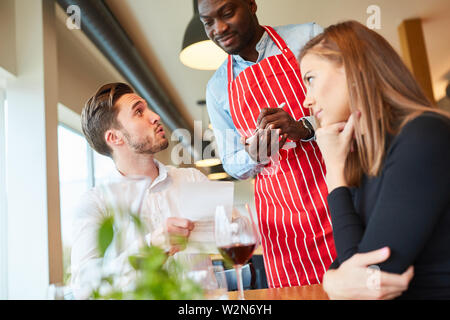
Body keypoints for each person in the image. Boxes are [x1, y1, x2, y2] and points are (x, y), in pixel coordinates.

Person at [299, 20, 450, 299]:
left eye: (310, 78)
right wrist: (332, 280)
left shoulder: (424, 135)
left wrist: (334, 170)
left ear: (354, 68)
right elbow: (350, 267)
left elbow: (367, 279)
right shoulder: (368, 158)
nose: (306, 101)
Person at [199, 0, 336, 288]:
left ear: (251, 4)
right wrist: (252, 155)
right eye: (208, 22)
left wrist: (304, 128)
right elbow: (231, 162)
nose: (219, 29)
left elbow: (351, 103)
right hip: (282, 227)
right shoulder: (216, 87)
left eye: (226, 13)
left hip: (338, 199)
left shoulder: (307, 37)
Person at [70, 83, 210, 299]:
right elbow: (85, 289)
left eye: (148, 108)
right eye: (139, 112)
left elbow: (244, 233)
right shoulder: (95, 203)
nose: (155, 116)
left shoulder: (193, 179)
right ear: (115, 138)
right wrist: (149, 247)